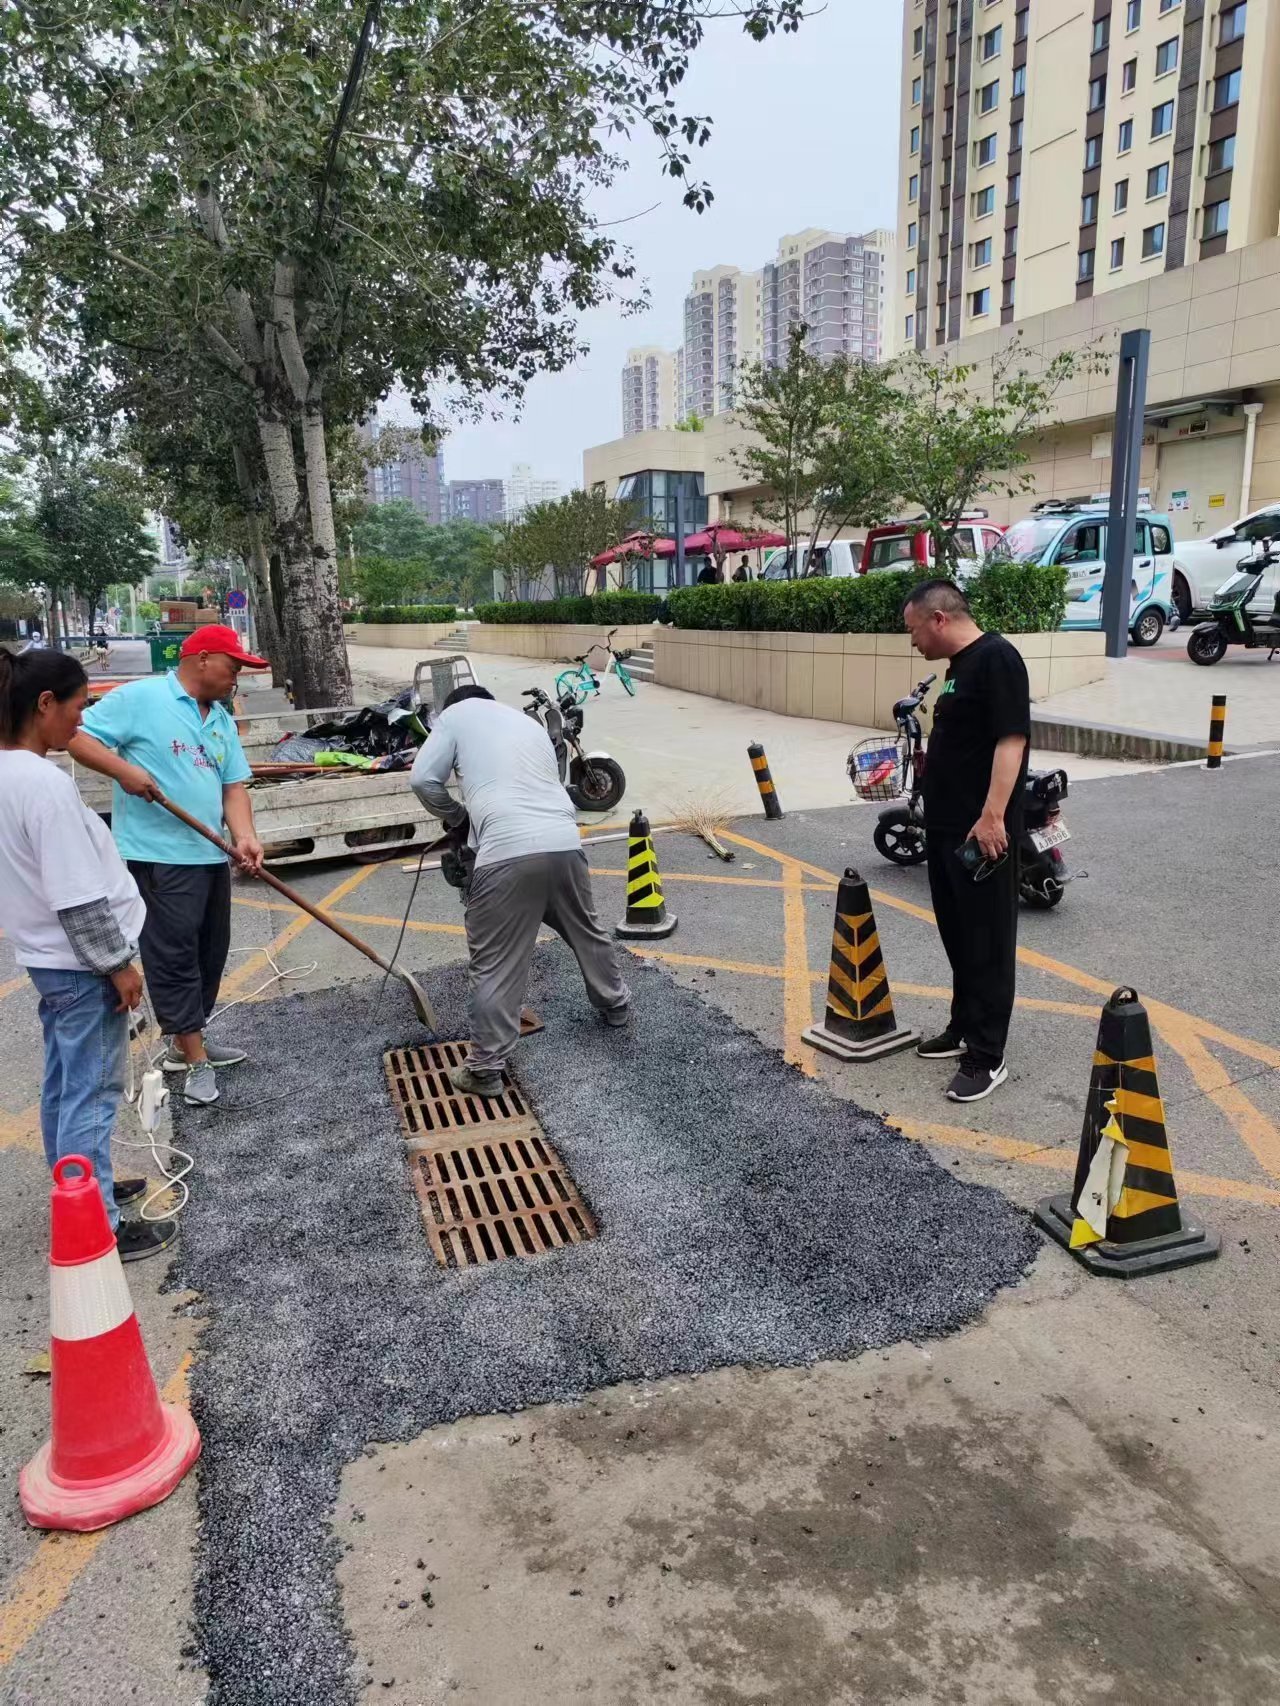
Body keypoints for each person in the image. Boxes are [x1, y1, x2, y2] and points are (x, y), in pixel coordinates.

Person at [0, 649, 177, 1260]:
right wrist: (119, 965)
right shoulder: (43, 784)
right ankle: (96, 1222)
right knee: (90, 1095)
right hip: (81, 965)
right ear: (44, 704)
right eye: (77, 707)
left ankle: (79, 1186)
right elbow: (77, 897)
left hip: (51, 960)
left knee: (62, 1085)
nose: (81, 722)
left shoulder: (6, 774)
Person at [66, 624, 268, 1108]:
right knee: (173, 955)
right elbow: (74, 737)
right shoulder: (143, 698)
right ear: (201, 659)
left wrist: (245, 836)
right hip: (158, 857)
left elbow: (233, 787)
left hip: (208, 852)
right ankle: (193, 1058)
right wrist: (125, 771)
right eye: (232, 665)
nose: (237, 676)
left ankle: (186, 1040)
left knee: (209, 952)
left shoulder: (218, 719)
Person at [411, 685, 630, 1098]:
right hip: (565, 843)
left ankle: (484, 1070)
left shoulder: (456, 716)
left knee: (495, 964)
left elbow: (423, 780)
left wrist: (458, 817)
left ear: (454, 707)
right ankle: (615, 1005)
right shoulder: (526, 724)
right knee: (586, 930)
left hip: (505, 854)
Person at [901, 580, 1029, 1103]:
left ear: (938, 619)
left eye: (912, 630)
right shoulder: (957, 672)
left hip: (983, 832)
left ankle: (987, 1054)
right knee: (958, 934)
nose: (912, 642)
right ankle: (962, 1027)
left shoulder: (997, 658)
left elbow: (1011, 739)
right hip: (948, 828)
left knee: (988, 940)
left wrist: (994, 815)